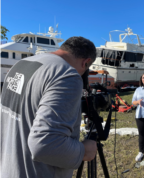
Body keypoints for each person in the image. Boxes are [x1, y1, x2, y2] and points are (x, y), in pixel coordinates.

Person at [0, 37, 98, 178]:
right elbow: (45, 145)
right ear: (86, 62)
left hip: (8, 168)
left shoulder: (21, 64)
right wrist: (83, 151)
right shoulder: (66, 75)